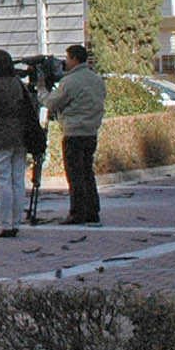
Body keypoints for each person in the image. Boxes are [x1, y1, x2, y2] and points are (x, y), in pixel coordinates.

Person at [0, 49, 39, 237]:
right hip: (20, 135)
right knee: (17, 180)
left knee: (2, 180)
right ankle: (16, 221)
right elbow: (30, 109)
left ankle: (6, 224)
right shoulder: (18, 84)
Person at [44, 43, 107, 225]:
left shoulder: (70, 82)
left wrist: (41, 90)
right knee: (87, 172)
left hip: (73, 132)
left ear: (74, 59)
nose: (65, 62)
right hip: (91, 132)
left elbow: (51, 103)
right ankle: (92, 210)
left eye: (68, 58)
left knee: (75, 174)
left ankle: (77, 212)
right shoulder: (96, 79)